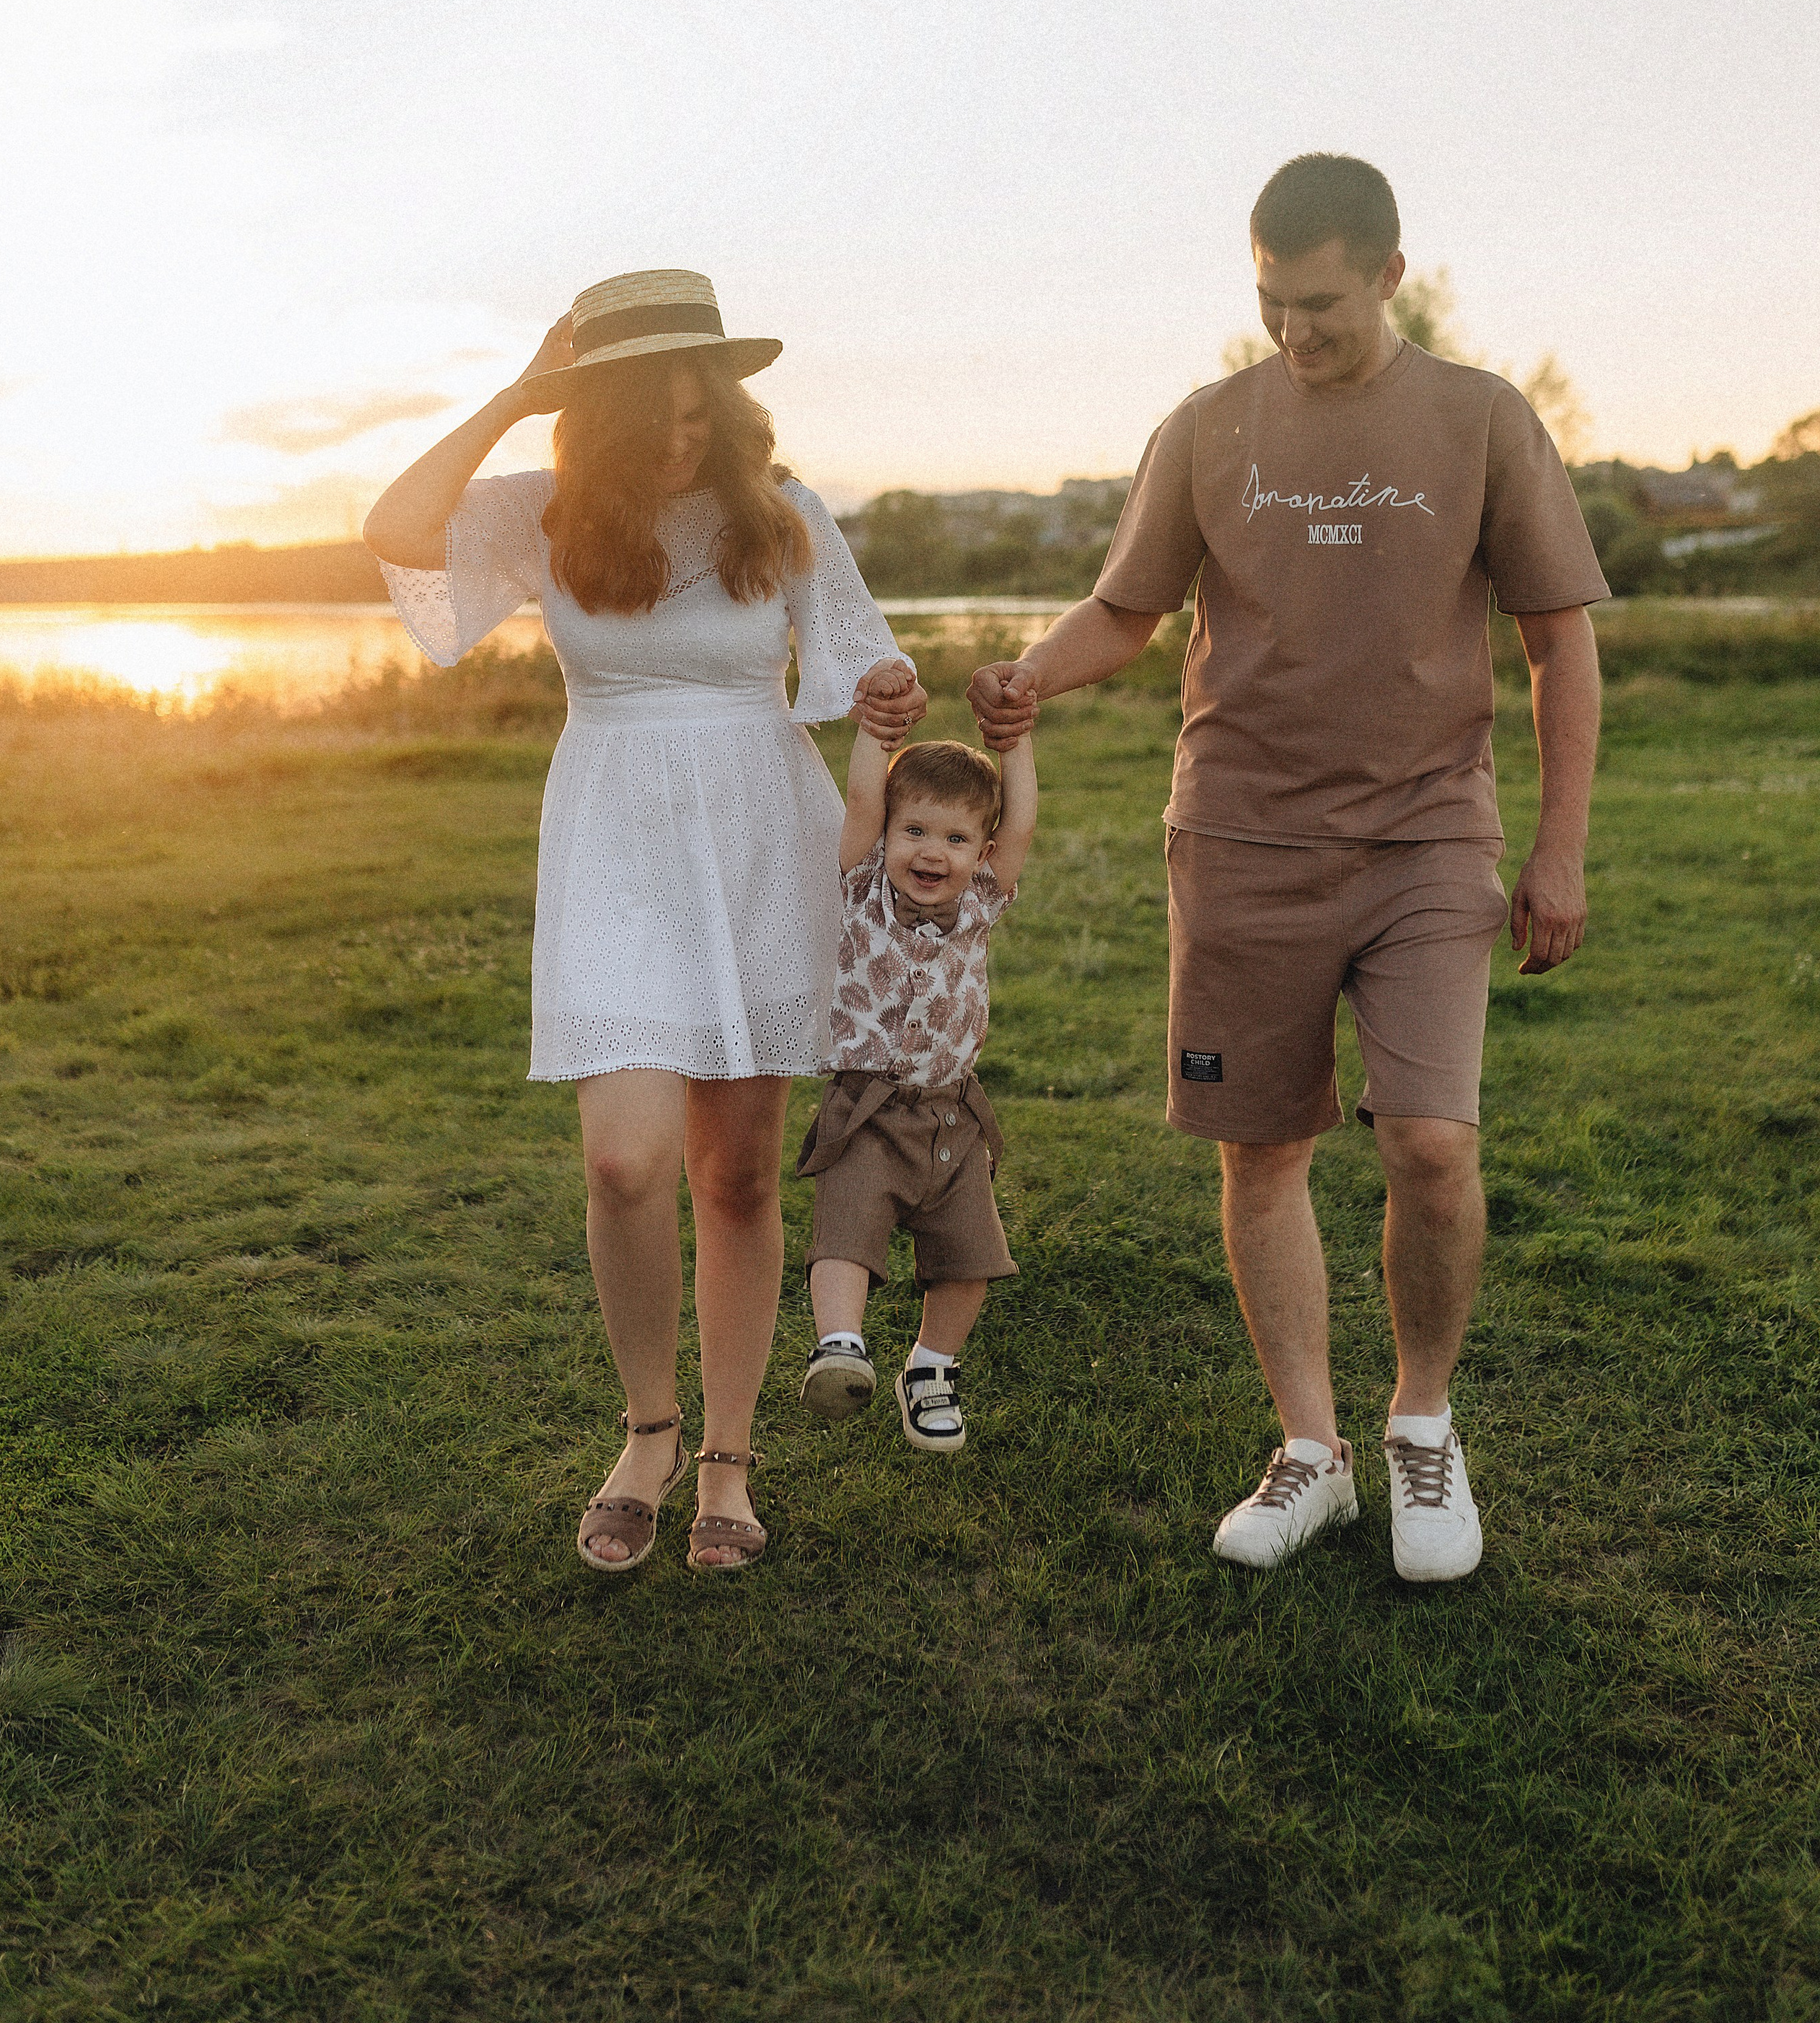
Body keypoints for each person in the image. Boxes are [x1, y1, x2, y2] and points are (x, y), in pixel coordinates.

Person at [969, 157, 1608, 1581]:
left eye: (1316, 302)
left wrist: (1554, 851)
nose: (1292, 331)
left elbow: (1558, 643)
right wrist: (1028, 679)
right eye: (1267, 299)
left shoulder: (1479, 417)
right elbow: (1122, 609)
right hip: (1240, 837)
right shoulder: (1205, 426)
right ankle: (1307, 1448)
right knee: (1259, 1147)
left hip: (1425, 835)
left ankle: (1420, 1426)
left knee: (1429, 1141)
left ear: (1387, 273)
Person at [364, 267, 926, 1574]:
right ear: (601, 417)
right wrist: (516, 391)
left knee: (734, 1170)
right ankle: (647, 1429)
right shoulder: (545, 515)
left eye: (701, 408)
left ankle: (726, 1456)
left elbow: (856, 668)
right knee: (623, 1161)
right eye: (657, 413)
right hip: (613, 836)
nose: (685, 434)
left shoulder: (781, 515)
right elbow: (395, 527)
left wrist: (888, 699)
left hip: (753, 832)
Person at [795, 723, 1038, 1451]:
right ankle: (840, 1346)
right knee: (845, 1235)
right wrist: (877, 728)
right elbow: (866, 792)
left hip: (951, 1118)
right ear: (886, 834)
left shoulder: (980, 905)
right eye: (915, 830)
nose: (931, 851)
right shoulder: (863, 887)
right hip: (866, 1110)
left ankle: (930, 1370)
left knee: (970, 1258)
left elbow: (1021, 817)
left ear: (983, 854)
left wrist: (1016, 741)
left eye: (956, 839)